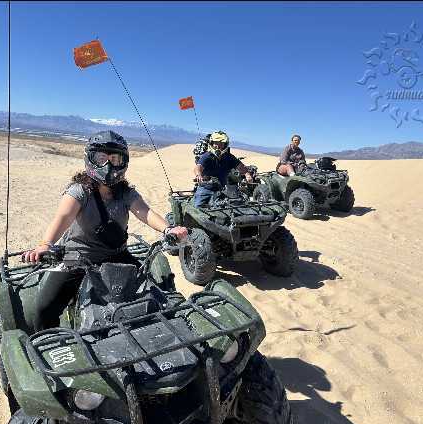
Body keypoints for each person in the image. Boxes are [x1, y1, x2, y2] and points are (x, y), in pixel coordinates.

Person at [22, 130, 187, 331]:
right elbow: (63, 217)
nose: (108, 164)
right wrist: (45, 244)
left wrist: (168, 229)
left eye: (115, 159)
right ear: (90, 159)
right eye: (101, 158)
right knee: (43, 309)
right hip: (77, 258)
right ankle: (53, 345)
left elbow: (145, 212)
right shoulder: (80, 190)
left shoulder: (125, 192)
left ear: (123, 162)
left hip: (117, 255)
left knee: (155, 295)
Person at [193, 131, 254, 207]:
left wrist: (247, 174)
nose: (218, 146)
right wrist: (198, 175)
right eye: (216, 143)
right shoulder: (207, 156)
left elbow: (241, 166)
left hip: (222, 190)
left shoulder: (229, 157)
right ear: (211, 143)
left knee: (230, 207)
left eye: (221, 144)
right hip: (206, 189)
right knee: (198, 207)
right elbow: (198, 167)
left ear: (225, 145)